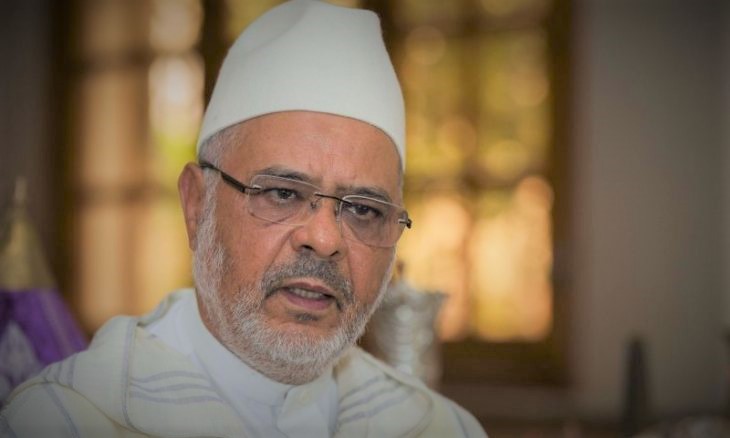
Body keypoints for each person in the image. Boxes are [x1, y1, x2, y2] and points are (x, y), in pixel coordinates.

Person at [1, 1, 487, 436]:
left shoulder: (442, 429)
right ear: (196, 205)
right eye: (282, 193)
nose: (323, 238)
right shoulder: (63, 419)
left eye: (363, 209)